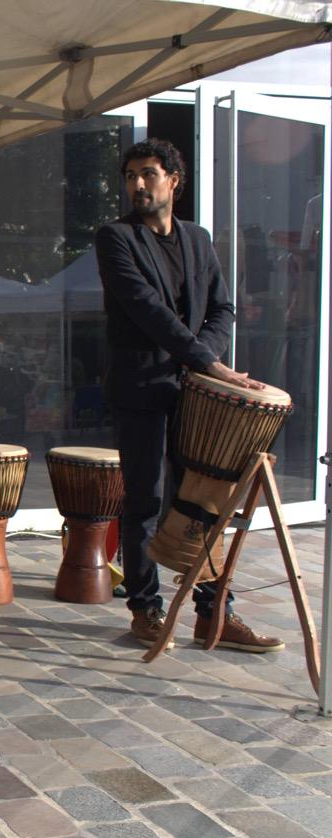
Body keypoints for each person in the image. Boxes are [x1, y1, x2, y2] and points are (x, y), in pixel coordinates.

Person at [96, 139, 283, 653]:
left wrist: (206, 366)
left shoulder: (198, 239)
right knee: (147, 501)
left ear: (173, 180)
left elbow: (222, 308)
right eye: (130, 175)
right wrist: (209, 362)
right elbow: (145, 309)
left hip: (194, 391)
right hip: (141, 390)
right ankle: (146, 609)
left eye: (148, 174)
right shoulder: (114, 238)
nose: (137, 184)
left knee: (205, 504)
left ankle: (213, 613)